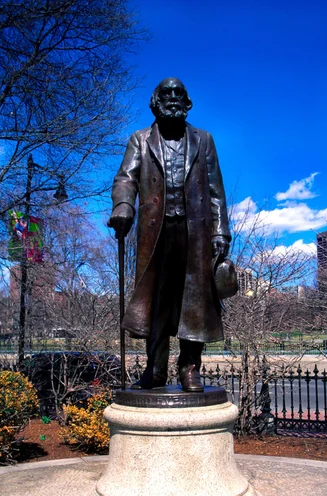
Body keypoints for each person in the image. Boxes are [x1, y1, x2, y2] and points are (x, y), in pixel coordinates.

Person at [108, 78, 231, 392]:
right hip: (156, 234)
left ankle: (190, 368)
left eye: (179, 94)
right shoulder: (141, 139)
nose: (173, 98)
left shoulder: (204, 140)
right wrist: (123, 205)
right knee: (157, 303)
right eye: (166, 93)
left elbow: (216, 190)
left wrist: (221, 231)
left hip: (197, 234)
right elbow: (126, 178)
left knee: (196, 302)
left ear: (187, 102)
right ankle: (156, 369)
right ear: (155, 101)